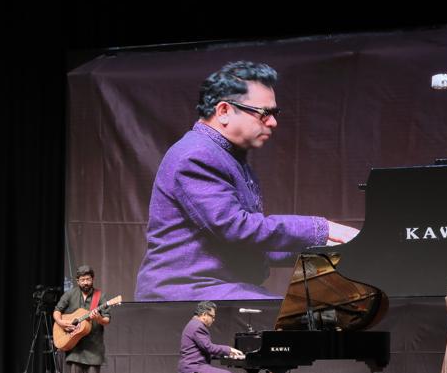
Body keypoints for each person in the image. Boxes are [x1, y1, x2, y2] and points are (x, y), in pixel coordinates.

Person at [135, 61, 358, 301]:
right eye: (264, 113)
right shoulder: (196, 155)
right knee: (307, 320)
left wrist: (326, 249)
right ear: (224, 111)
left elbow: (251, 244)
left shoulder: (229, 158)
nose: (273, 122)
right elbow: (238, 228)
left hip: (215, 290)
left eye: (275, 113)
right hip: (184, 294)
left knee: (321, 313)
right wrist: (323, 228)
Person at [53, 265, 111, 373]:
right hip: (75, 345)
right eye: (83, 279)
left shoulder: (100, 296)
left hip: (94, 345)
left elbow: (106, 320)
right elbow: (57, 310)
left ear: (92, 279)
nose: (86, 282)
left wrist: (98, 318)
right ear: (77, 281)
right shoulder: (70, 294)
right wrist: (61, 322)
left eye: (88, 279)